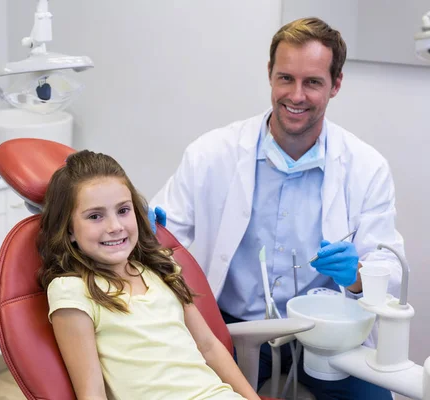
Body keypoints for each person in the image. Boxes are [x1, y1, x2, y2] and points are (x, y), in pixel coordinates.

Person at [150, 17, 404, 399]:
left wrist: (358, 276)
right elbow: (161, 238)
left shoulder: (367, 168)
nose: (296, 95)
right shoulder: (211, 154)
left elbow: (390, 271)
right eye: (286, 78)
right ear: (269, 74)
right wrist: (151, 240)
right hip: (229, 327)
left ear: (336, 85)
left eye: (313, 82)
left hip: (325, 334)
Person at [37, 150, 260, 400]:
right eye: (95, 216)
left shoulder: (160, 269)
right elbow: (92, 392)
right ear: (69, 230)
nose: (115, 227)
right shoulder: (72, 290)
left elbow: (209, 347)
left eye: (123, 210)